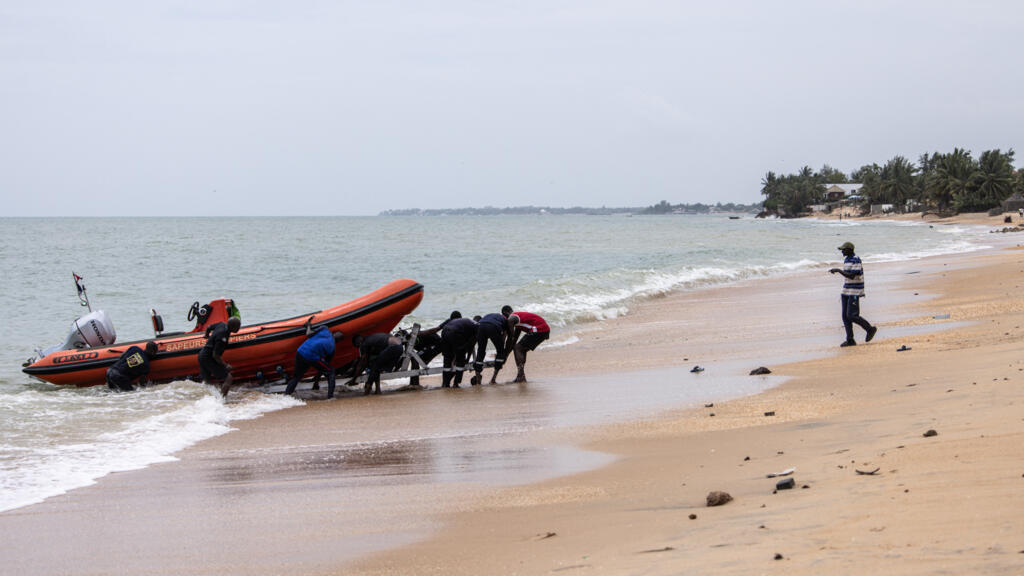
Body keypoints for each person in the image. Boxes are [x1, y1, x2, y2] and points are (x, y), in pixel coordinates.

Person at [829, 241, 878, 347]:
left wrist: (838, 270)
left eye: (843, 249)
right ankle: (850, 340)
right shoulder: (847, 260)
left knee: (852, 315)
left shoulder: (856, 259)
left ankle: (870, 329)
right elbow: (848, 275)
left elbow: (852, 276)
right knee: (845, 316)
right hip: (846, 290)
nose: (842, 251)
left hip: (855, 291)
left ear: (850, 250)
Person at [284, 320, 344, 399]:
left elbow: (309, 334)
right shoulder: (332, 349)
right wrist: (316, 382)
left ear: (333, 333)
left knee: (296, 377)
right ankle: (330, 397)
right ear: (338, 342)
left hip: (300, 352)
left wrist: (308, 326)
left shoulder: (325, 329)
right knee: (331, 371)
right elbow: (323, 368)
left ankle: (286, 396)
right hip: (311, 358)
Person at [503, 306, 550, 383]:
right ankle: (520, 376)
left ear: (505, 313)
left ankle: (521, 376)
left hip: (538, 329)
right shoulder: (518, 321)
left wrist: (505, 354)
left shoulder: (511, 319)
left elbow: (510, 338)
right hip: (543, 329)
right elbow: (514, 339)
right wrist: (507, 353)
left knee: (517, 348)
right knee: (521, 349)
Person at [198, 316, 241, 397]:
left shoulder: (222, 324)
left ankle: (209, 399)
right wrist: (226, 365)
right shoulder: (223, 337)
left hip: (202, 355)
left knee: (207, 382)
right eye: (238, 326)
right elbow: (215, 355)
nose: (239, 328)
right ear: (233, 327)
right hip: (208, 358)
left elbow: (209, 327)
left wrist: (207, 335)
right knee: (228, 378)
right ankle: (221, 400)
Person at [470, 312, 517, 385]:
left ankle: (478, 379)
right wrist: (504, 353)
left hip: (480, 326)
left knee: (481, 351)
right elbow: (506, 337)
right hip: (493, 326)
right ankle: (493, 379)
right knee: (500, 351)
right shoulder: (506, 321)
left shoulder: (491, 315)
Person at [439, 316, 478, 388]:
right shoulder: (477, 326)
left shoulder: (468, 321)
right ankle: (456, 383)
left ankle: (445, 384)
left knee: (447, 359)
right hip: (456, 331)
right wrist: (467, 359)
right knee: (461, 360)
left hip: (445, 330)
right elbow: (471, 345)